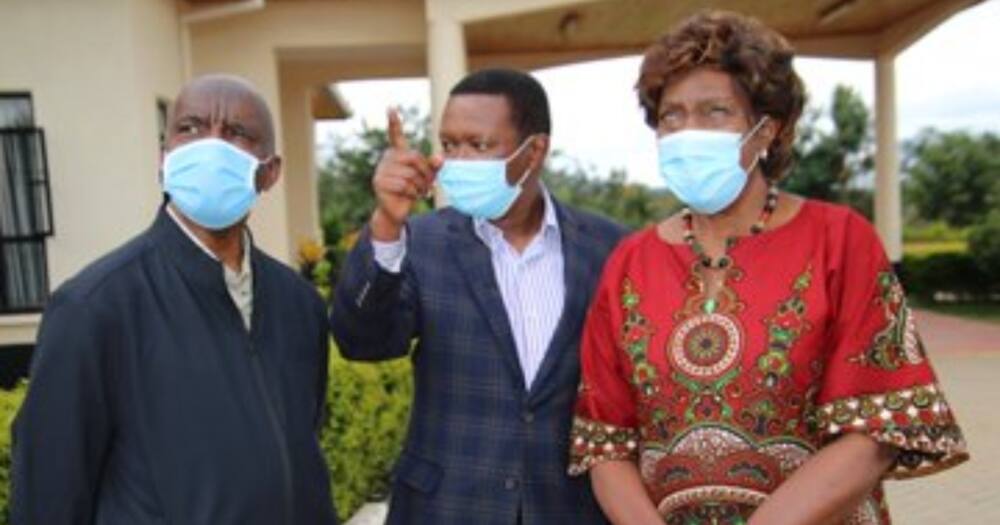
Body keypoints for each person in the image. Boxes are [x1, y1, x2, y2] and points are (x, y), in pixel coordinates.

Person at [568, 10, 968, 525]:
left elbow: (877, 427)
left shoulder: (838, 240)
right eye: (672, 115)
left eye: (715, 112)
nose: (688, 131)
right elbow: (606, 443)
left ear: (767, 131)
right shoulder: (630, 262)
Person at [12, 75, 338, 525]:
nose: (211, 146)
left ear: (270, 171)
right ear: (163, 160)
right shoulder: (94, 307)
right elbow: (49, 495)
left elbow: (299, 443)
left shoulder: (299, 304)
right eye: (191, 127)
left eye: (237, 134)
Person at [330, 68, 627, 524]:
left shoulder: (607, 248)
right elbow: (362, 340)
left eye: (479, 144)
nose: (459, 160)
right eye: (450, 145)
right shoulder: (421, 241)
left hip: (568, 509)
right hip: (447, 508)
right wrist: (386, 226)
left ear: (535, 150)